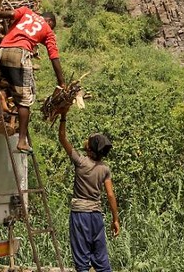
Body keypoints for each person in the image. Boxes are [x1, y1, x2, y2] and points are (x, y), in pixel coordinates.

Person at [0, 0, 64, 152]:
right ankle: (21, 141)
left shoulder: (27, 12)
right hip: (19, 55)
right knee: (26, 99)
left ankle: (2, 94)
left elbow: (10, 14)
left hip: (2, 51)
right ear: (50, 22)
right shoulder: (47, 29)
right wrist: (61, 81)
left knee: (10, 81)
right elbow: (54, 56)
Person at [58, 113, 119, 272]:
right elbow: (110, 195)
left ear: (89, 148)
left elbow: (62, 137)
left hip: (80, 215)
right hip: (96, 217)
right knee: (101, 258)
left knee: (82, 261)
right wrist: (116, 220)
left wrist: (63, 116)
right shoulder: (105, 169)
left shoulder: (80, 162)